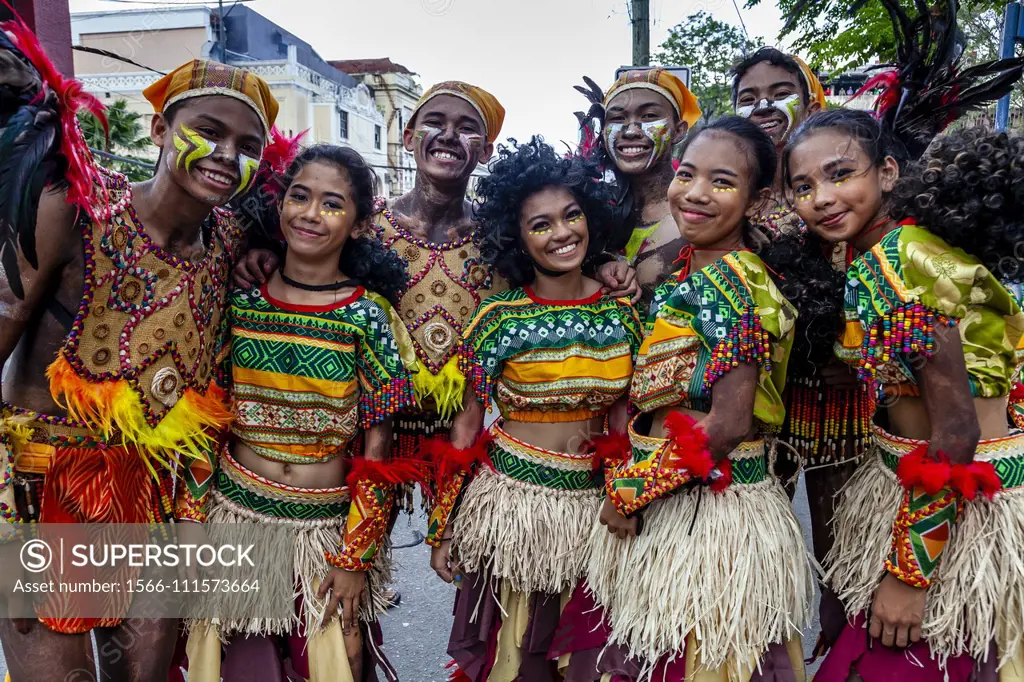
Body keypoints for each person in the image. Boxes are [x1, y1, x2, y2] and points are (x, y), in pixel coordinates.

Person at [0, 21, 276, 680]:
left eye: (247, 145)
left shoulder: (236, 237)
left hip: (160, 489)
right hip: (47, 482)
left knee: (149, 674)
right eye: (207, 131)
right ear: (158, 132)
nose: (225, 154)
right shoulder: (76, 209)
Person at [235, 82, 640, 478]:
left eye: (466, 127)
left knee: (454, 542)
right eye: (434, 122)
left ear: (485, 151)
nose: (448, 135)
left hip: (467, 433)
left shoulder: (501, 236)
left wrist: (603, 265)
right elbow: (308, 256)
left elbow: (556, 261)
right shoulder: (363, 223)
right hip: (367, 427)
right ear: (409, 137)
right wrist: (265, 253)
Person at [553, 117, 814, 681]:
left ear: (756, 199)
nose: (694, 194)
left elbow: (727, 424)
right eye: (686, 173)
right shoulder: (692, 274)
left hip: (709, 513)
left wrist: (628, 493)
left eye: (720, 182)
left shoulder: (733, 284)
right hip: (680, 504)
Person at [784, 110, 1024, 681]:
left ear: (888, 172)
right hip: (964, 500)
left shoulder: (897, 266)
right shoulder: (907, 249)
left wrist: (908, 576)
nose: (821, 197)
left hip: (954, 514)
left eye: (841, 174)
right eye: (803, 187)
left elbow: (958, 434)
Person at [185, 144, 417, 681]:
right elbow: (205, 422)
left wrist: (354, 557)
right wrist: (193, 525)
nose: (311, 214)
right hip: (235, 522)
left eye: (332, 204)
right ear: (280, 206)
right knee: (236, 668)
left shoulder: (370, 316)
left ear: (359, 223)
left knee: (336, 663)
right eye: (300, 196)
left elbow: (379, 452)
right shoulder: (240, 304)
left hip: (327, 531)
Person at [425, 136, 642, 681]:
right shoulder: (497, 318)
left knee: (586, 658)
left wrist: (629, 500)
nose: (562, 232)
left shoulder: (623, 315)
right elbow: (467, 426)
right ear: (517, 237)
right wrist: (443, 526)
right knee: (514, 658)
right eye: (540, 224)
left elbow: (624, 422)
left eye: (571, 215)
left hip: (594, 513)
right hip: (511, 511)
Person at [731, 46, 872, 599]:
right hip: (760, 397)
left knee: (843, 556)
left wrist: (862, 360)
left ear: (810, 98)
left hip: (837, 401)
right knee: (758, 554)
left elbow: (884, 286)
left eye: (778, 92)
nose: (763, 106)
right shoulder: (738, 188)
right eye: (748, 98)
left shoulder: (840, 189)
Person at [575, 68, 702, 304]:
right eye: (618, 118)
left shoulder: (702, 210)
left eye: (649, 116)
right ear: (603, 132)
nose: (631, 131)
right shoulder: (586, 213)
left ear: (679, 131)